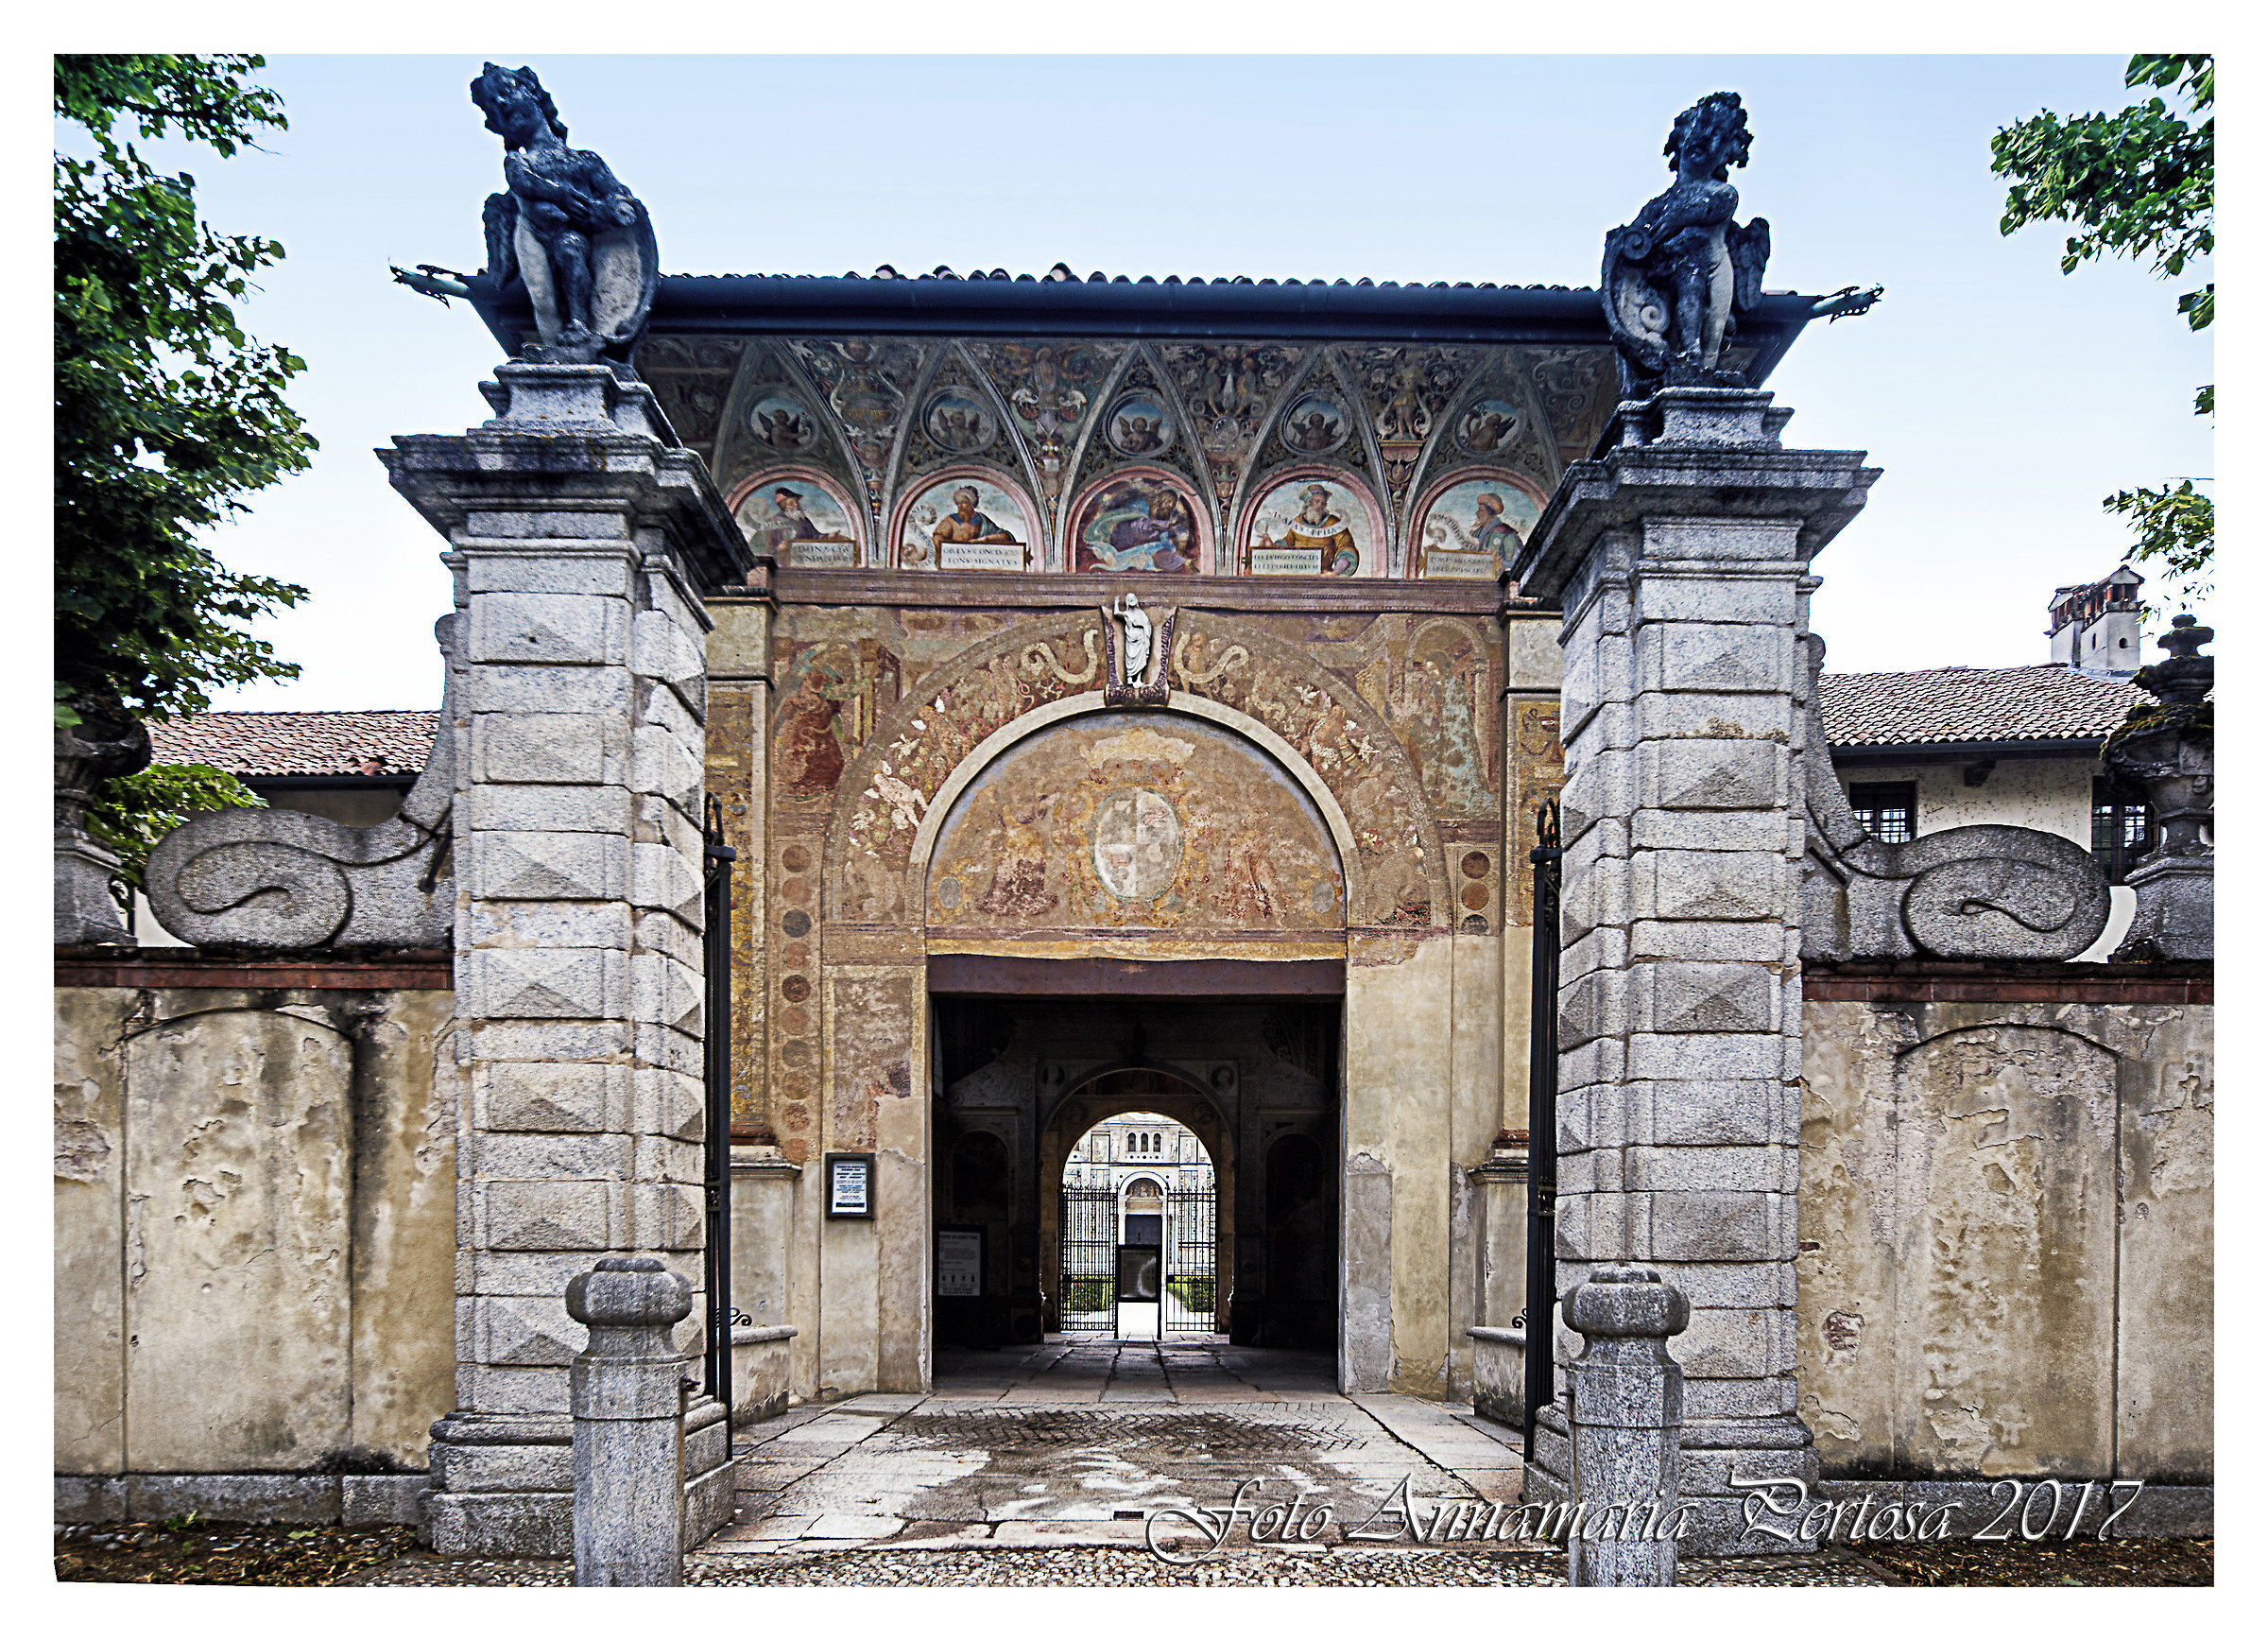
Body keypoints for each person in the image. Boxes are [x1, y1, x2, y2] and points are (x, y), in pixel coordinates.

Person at [1259, 484, 1358, 574]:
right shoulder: (1298, 522)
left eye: (1323, 503)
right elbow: (1288, 543)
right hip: (1298, 575)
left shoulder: (1334, 523)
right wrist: (1272, 547)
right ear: (1308, 503)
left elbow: (1347, 550)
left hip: (1323, 575)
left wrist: (1335, 572)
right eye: (1317, 501)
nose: (1320, 506)